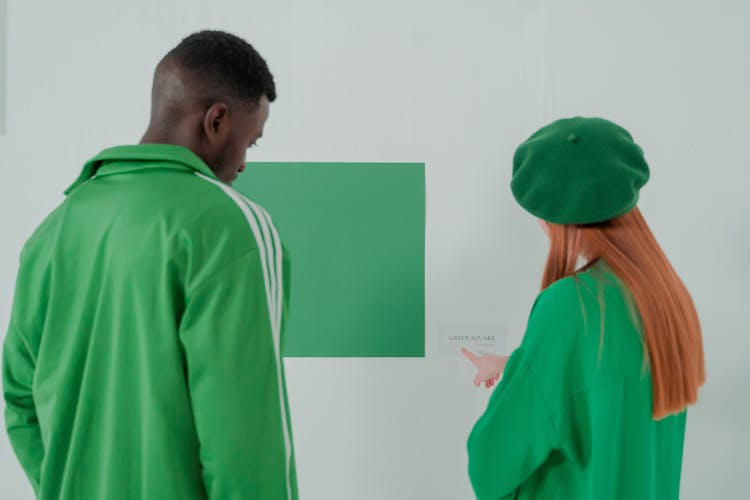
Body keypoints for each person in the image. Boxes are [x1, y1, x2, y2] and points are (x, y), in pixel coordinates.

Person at [3, 30, 297, 499]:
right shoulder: (231, 227)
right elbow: (244, 432)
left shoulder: (54, 230)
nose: (243, 164)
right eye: (250, 142)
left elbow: (19, 395)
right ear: (216, 120)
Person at [463, 117, 705, 500]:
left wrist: (519, 384)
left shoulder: (567, 308)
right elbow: (610, 385)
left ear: (554, 219)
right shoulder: (669, 300)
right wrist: (518, 365)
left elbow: (490, 462)